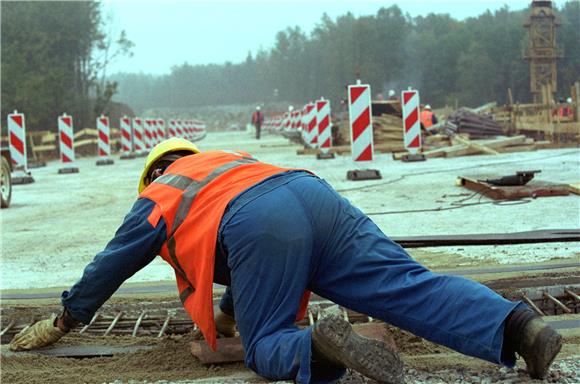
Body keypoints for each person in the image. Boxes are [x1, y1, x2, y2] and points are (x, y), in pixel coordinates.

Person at [10, 138, 562, 384]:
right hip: (311, 196)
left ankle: (319, 346)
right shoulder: (226, 162)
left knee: (268, 344)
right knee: (409, 286)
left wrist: (65, 319)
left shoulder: (159, 195)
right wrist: (227, 312)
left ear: (152, 174)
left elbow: (111, 264)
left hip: (263, 222)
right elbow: (251, 261)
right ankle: (518, 326)